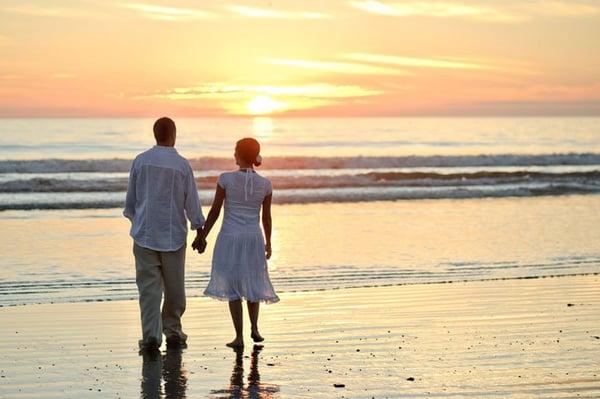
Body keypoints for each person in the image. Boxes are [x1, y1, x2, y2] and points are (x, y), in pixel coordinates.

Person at [124, 117, 206, 351]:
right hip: (173, 235)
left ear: (155, 134)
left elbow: (132, 200)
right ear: (173, 135)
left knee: (148, 289)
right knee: (174, 288)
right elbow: (191, 201)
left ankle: (151, 335)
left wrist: (136, 221)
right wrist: (199, 229)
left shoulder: (140, 161)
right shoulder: (181, 165)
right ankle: (172, 330)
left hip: (145, 235)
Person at [194, 137, 279, 348]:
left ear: (238, 155)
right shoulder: (265, 184)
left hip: (230, 237)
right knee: (253, 282)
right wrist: (268, 243)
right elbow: (266, 218)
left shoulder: (225, 179)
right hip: (253, 237)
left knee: (233, 286)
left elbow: (215, 211)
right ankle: (255, 329)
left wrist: (202, 235)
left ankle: (239, 336)